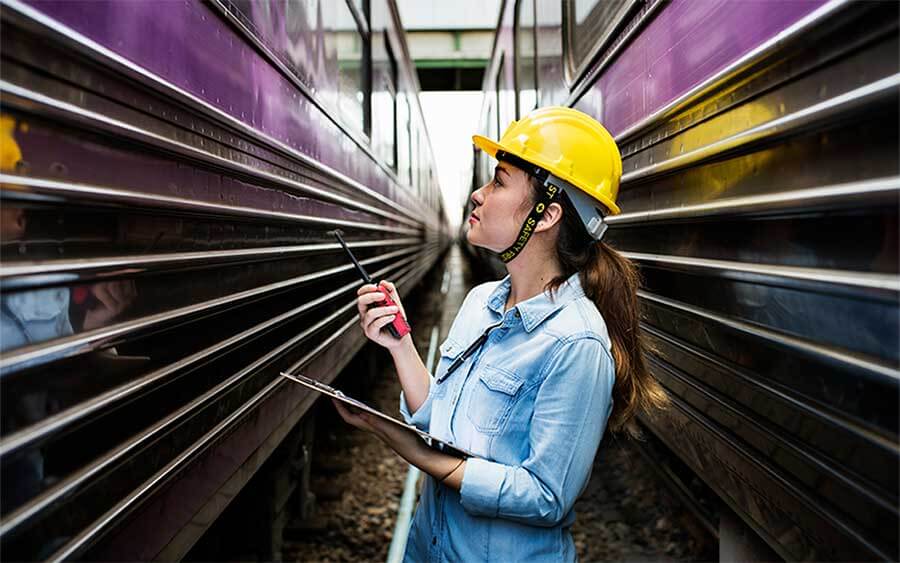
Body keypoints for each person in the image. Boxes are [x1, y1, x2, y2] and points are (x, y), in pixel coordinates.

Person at [334, 106, 669, 562]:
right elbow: (441, 420)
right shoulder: (480, 302)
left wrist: (416, 453)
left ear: (546, 216)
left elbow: (547, 497)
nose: (478, 194)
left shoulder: (579, 344)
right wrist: (400, 345)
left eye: (499, 181)